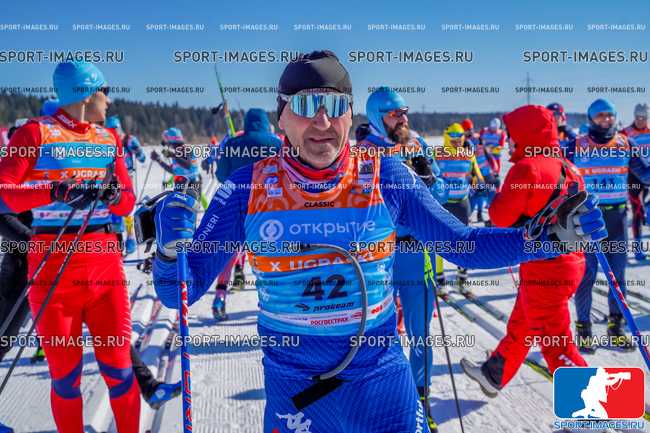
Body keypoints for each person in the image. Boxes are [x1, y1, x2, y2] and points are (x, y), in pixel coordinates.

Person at [151, 50, 605, 433]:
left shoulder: (385, 175)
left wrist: (546, 239)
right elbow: (178, 292)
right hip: (297, 391)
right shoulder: (246, 189)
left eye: (335, 105)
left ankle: (600, 411)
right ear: (281, 116)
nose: (322, 121)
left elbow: (462, 242)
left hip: (382, 383)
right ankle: (592, 405)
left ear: (350, 114)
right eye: (307, 105)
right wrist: (172, 250)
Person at [0, 61, 140, 433]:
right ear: (87, 92)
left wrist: (114, 195)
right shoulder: (34, 133)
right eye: (105, 91)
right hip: (53, 269)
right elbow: (3, 194)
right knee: (66, 378)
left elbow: (127, 202)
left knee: (120, 370)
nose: (109, 101)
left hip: (104, 268)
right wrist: (55, 191)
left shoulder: (109, 139)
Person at [461, 105, 589, 396]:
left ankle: (598, 409)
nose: (509, 141)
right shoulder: (568, 166)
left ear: (525, 134)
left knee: (556, 345)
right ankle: (493, 374)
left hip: (545, 267)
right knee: (523, 323)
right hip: (571, 261)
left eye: (512, 134)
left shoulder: (527, 167)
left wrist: (496, 194)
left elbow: (500, 217)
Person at [360, 86, 446, 431]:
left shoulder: (417, 145)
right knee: (377, 332)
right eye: (395, 114)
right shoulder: (362, 153)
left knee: (420, 331)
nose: (403, 119)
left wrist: (429, 179)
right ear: (377, 117)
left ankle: (421, 400)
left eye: (404, 112)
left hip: (415, 251)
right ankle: (387, 398)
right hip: (377, 254)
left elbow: (440, 192)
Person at [565, 98, 650, 353]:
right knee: (587, 275)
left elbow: (644, 173)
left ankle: (616, 328)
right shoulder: (576, 145)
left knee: (618, 275)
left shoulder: (625, 143)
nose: (606, 119)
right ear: (591, 118)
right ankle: (584, 330)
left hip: (617, 219)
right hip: (587, 220)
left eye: (610, 115)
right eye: (601, 115)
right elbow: (558, 174)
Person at [209, 108, 282, 320]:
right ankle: (276, 304)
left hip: (238, 206)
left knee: (231, 253)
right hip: (269, 207)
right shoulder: (276, 143)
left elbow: (221, 175)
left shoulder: (233, 143)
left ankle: (219, 297)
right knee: (273, 256)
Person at [435, 122, 485, 288]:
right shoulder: (438, 154)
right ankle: (439, 277)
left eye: (460, 137)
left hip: (462, 204)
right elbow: (428, 175)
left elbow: (477, 174)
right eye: (453, 137)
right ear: (446, 136)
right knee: (440, 241)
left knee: (463, 240)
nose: (457, 140)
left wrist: (479, 183)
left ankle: (462, 275)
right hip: (443, 205)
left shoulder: (468, 155)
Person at [105, 115, 146, 255]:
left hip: (126, 177)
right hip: (112, 178)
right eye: (111, 130)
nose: (115, 133)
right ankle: (119, 239)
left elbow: (142, 158)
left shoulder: (128, 140)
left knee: (126, 207)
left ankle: (130, 237)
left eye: (116, 130)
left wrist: (137, 149)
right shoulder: (105, 140)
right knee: (115, 207)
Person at [151, 127, 207, 208]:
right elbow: (174, 171)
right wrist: (158, 160)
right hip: (181, 183)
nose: (166, 144)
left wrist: (173, 155)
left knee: (188, 210)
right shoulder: (177, 151)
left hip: (192, 183)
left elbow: (188, 165)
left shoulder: (186, 149)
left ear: (171, 140)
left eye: (166, 140)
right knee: (177, 209)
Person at [622, 103, 650, 261]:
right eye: (638, 117)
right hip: (633, 178)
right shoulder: (625, 133)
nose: (640, 120)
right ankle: (638, 249)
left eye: (643, 117)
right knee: (638, 212)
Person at [463, 118, 496, 223]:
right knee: (480, 194)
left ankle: (473, 215)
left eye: (469, 129)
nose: (469, 131)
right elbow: (486, 153)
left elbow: (483, 154)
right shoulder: (477, 138)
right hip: (482, 172)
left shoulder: (468, 141)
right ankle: (478, 214)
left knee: (476, 195)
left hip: (480, 172)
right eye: (468, 129)